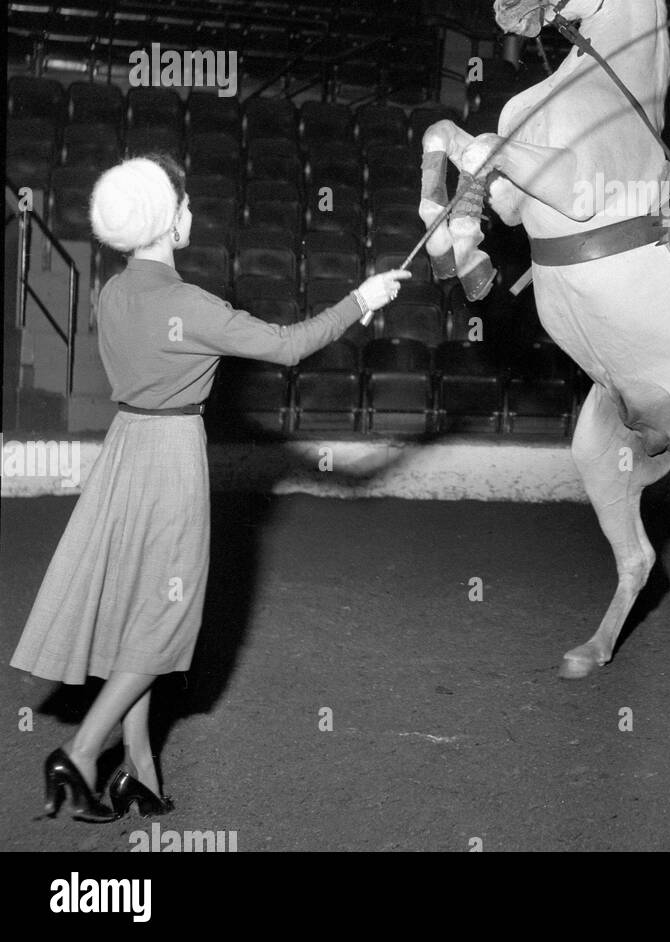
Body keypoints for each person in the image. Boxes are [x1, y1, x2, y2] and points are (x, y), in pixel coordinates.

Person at [10, 152, 410, 822]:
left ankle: (138, 771)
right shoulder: (187, 304)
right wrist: (360, 300)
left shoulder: (113, 291)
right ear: (168, 222)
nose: (193, 210)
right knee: (164, 621)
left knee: (137, 613)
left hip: (124, 452)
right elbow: (288, 347)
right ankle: (80, 754)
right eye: (184, 202)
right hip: (169, 457)